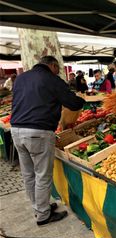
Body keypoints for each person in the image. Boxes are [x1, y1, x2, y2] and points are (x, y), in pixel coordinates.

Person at [10, 56, 85, 226]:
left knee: (28, 174)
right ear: (52, 65)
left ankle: (39, 207)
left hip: (16, 130)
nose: (59, 72)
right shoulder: (51, 79)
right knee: (42, 175)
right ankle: (43, 215)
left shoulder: (21, 78)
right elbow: (72, 103)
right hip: (38, 132)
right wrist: (82, 100)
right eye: (58, 68)